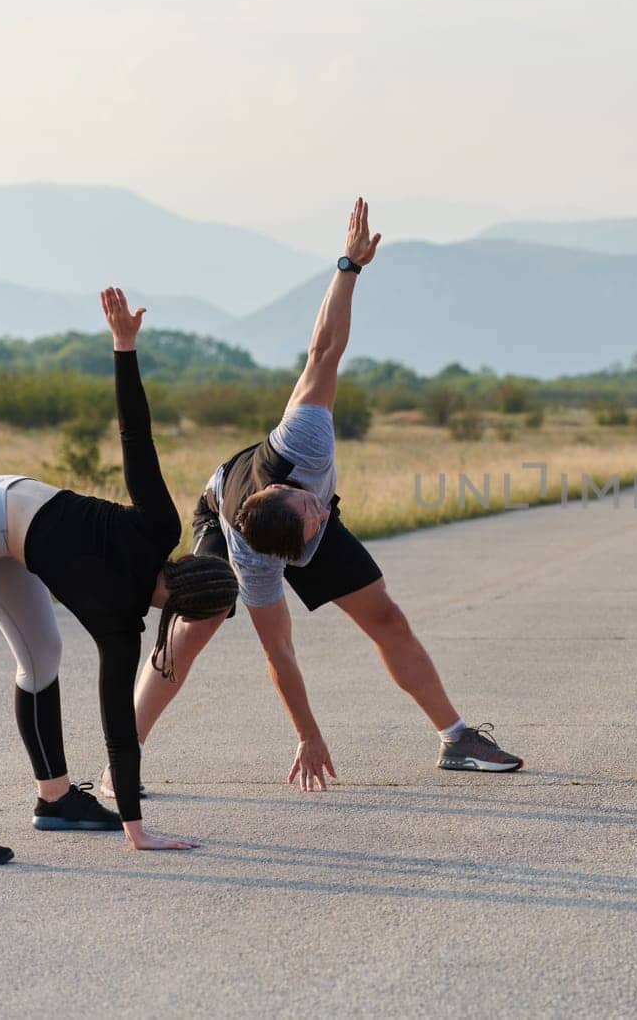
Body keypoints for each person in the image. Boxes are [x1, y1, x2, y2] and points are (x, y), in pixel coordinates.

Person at [121, 199, 521, 793]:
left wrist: (349, 266)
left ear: (293, 491)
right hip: (219, 512)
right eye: (315, 518)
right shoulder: (257, 562)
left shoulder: (304, 440)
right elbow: (279, 652)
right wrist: (307, 733)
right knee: (195, 624)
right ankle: (122, 757)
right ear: (283, 553)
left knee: (385, 615)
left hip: (267, 495)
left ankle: (457, 738)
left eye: (315, 509)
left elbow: (324, 349)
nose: (322, 513)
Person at [0, 289, 238, 864]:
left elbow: (137, 437)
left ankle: (56, 798)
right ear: (182, 611)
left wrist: (125, 345)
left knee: (42, 657)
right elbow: (118, 727)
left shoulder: (153, 544)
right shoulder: (123, 625)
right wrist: (138, 830)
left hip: (0, 522)